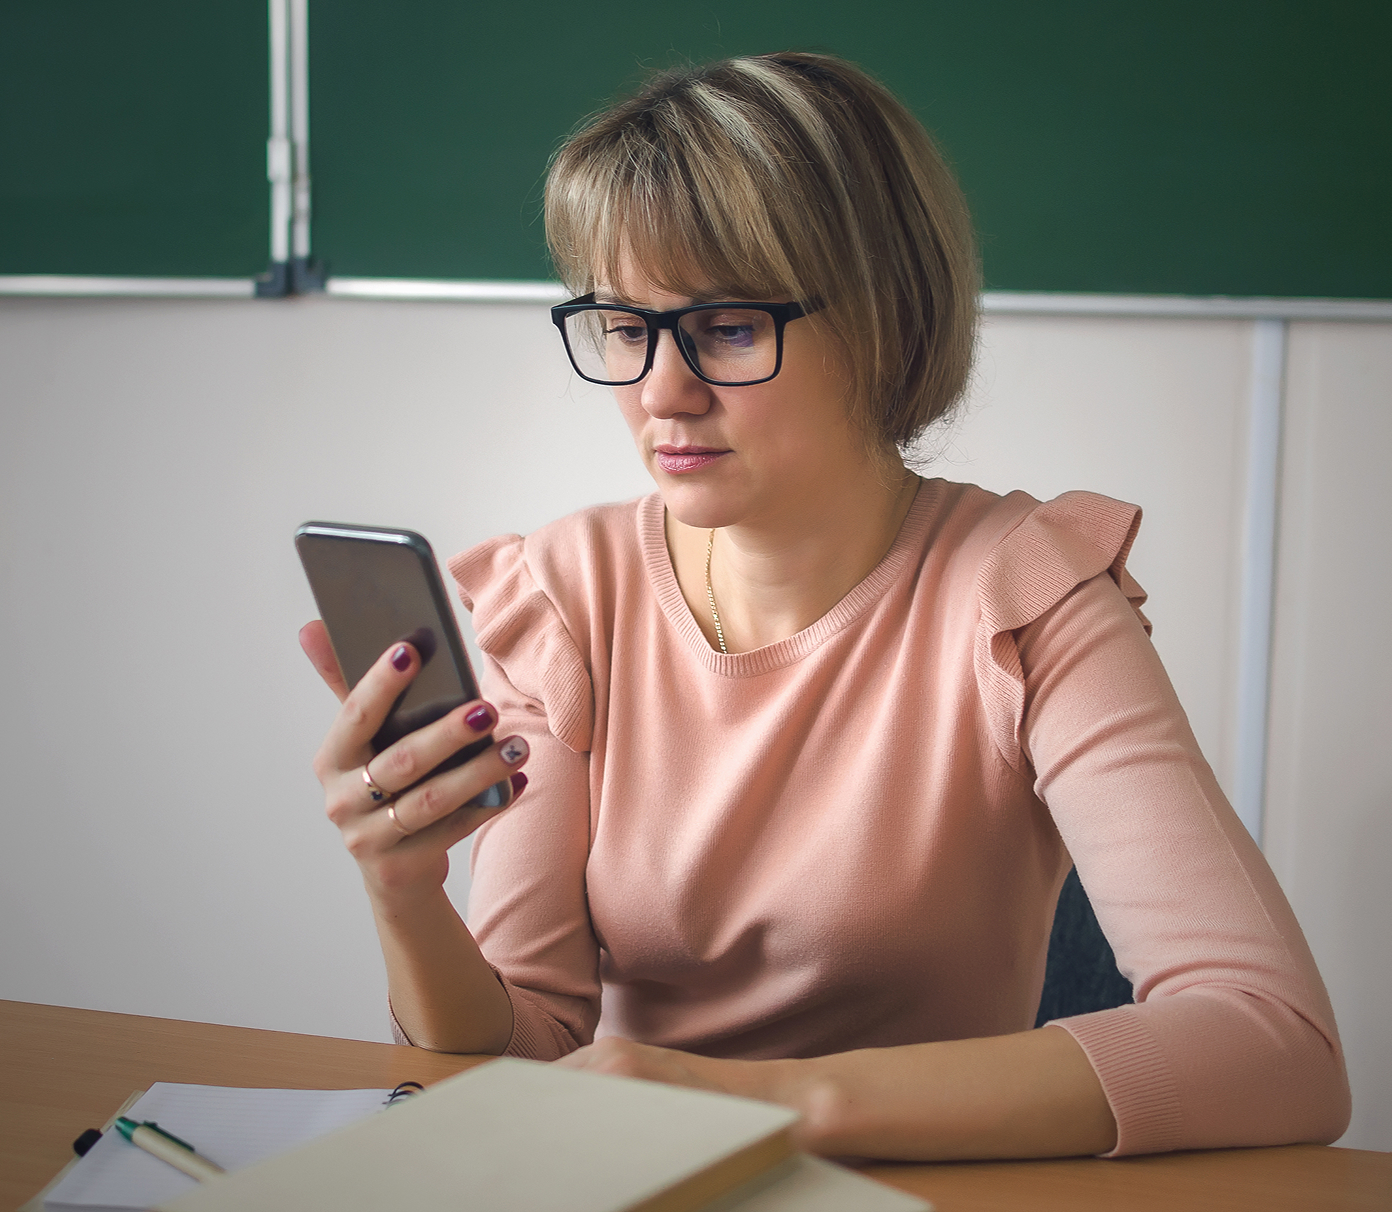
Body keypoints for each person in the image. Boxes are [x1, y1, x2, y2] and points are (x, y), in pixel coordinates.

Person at [300, 52, 1350, 1160]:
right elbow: (525, 1055)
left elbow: (1275, 1045)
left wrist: (765, 1106)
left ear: (884, 320)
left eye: (727, 328)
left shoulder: (1026, 596)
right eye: (624, 325)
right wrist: (405, 892)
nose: (660, 393)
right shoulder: (566, 593)